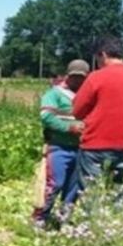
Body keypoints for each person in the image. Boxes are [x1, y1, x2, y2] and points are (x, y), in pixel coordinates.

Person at [72, 36, 123, 200]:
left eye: (97, 58)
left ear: (103, 54)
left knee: (91, 196)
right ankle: (115, 224)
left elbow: (77, 110)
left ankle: (91, 224)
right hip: (122, 144)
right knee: (118, 195)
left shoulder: (96, 77)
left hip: (94, 144)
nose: (98, 62)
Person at [32, 59, 89, 228]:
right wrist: (68, 128)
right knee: (55, 183)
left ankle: (63, 218)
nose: (78, 81)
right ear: (68, 76)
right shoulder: (54, 94)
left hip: (80, 148)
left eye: (81, 78)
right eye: (75, 77)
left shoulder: (87, 95)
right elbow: (46, 117)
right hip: (58, 146)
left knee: (74, 187)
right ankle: (40, 217)